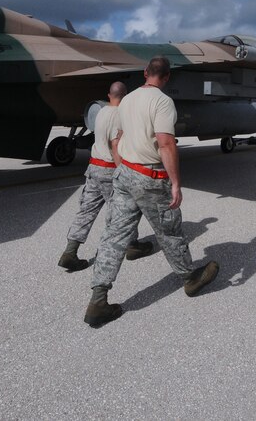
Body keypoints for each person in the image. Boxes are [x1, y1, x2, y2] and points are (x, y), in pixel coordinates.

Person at [84, 56, 219, 327]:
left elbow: (118, 139)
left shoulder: (128, 99)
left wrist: (123, 169)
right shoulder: (162, 101)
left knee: (114, 235)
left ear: (146, 73)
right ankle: (190, 278)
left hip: (124, 174)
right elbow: (166, 143)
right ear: (167, 77)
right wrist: (176, 183)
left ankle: (98, 299)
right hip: (150, 176)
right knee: (169, 231)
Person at [58, 82, 153, 272]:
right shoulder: (122, 116)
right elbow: (116, 146)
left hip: (93, 167)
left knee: (86, 211)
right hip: (110, 168)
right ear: (125, 96)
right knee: (124, 209)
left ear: (109, 95)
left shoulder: (101, 112)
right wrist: (123, 172)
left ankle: (70, 251)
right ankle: (132, 245)